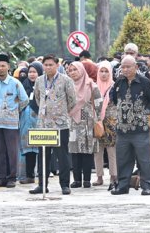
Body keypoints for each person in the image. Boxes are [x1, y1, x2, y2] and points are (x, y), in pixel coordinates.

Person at [110, 56, 150, 195]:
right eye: (123, 67)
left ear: (136, 67)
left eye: (128, 67)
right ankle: (123, 186)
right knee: (123, 159)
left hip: (140, 129)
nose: (125, 70)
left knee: (144, 159)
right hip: (122, 130)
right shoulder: (119, 82)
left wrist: (144, 113)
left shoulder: (145, 82)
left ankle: (147, 186)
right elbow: (114, 98)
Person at [30, 54, 76, 195]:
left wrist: (60, 112)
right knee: (43, 155)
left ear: (57, 65)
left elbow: (72, 100)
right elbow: (37, 98)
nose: (48, 67)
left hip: (60, 124)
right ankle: (42, 185)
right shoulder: (39, 80)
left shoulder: (66, 80)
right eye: (46, 65)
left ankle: (64, 185)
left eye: (51, 65)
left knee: (62, 155)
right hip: (43, 124)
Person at [0, 54, 29, 189]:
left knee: (12, 151)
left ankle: (12, 178)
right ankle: (1, 178)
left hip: (11, 123)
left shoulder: (15, 83)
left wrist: (15, 110)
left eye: (3, 66)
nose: (0, 68)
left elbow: (24, 100)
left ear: (8, 67)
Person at [66, 61, 100, 189]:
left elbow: (98, 103)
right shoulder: (68, 85)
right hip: (72, 123)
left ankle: (86, 180)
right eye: (71, 70)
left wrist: (99, 120)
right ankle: (76, 180)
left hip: (88, 122)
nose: (73, 72)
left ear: (81, 70)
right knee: (74, 152)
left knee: (87, 152)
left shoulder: (91, 85)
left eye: (75, 69)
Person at [93, 60, 118, 190]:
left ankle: (114, 175)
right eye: (101, 71)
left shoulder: (115, 86)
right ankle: (99, 176)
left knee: (111, 150)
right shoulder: (94, 86)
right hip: (97, 121)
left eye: (106, 71)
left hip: (110, 122)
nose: (103, 74)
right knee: (97, 150)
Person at [19, 62, 42, 185]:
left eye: (35, 72)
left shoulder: (44, 86)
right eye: (30, 72)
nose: (32, 75)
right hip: (26, 123)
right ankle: (29, 175)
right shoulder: (23, 86)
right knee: (29, 150)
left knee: (41, 149)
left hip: (39, 122)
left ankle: (43, 175)